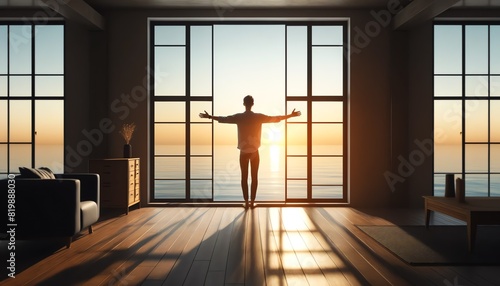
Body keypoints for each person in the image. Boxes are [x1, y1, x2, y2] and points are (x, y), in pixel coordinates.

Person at [199, 95, 301, 209]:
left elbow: (223, 119)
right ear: (253, 104)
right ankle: (252, 202)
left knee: (244, 177)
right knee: (254, 177)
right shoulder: (258, 117)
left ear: (244, 104)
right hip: (254, 152)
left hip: (243, 152)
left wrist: (209, 117)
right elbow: (276, 118)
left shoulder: (239, 117)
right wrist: (291, 116)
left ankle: (246, 202)